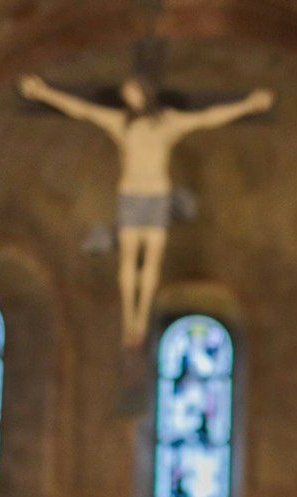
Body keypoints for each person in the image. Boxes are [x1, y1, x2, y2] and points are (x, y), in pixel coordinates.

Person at [18, 75, 274, 348]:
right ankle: (129, 318)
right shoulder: (120, 123)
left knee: (152, 257)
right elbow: (83, 110)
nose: (130, 98)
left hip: (157, 195)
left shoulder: (168, 123)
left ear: (145, 93)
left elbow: (207, 117)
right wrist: (45, 93)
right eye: (126, 95)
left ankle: (142, 316)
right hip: (131, 194)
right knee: (129, 256)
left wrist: (247, 106)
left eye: (133, 92)